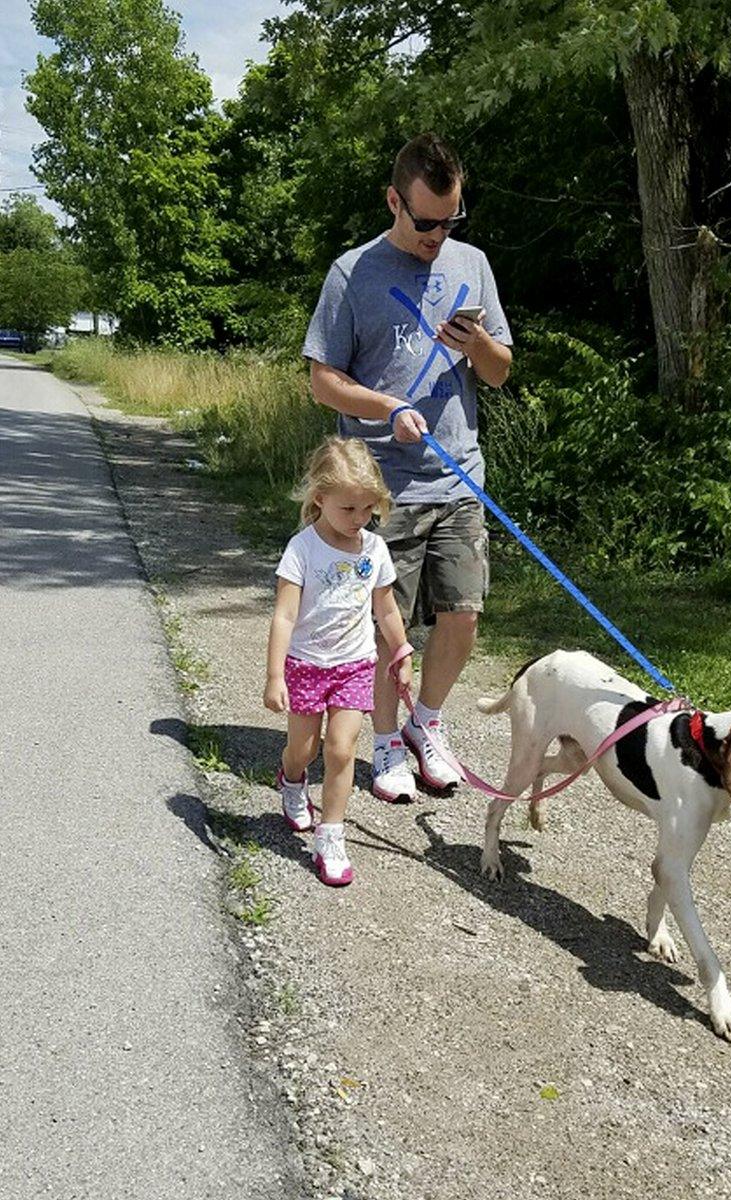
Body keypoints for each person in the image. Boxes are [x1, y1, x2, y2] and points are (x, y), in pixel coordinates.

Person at [302, 131, 513, 803]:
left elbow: (501, 372)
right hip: (377, 489)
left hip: (459, 477)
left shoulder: (472, 264)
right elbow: (323, 381)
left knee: (463, 614)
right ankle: (387, 742)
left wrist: (477, 340)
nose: (437, 235)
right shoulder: (352, 273)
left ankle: (427, 724)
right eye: (426, 222)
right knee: (380, 626)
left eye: (450, 220)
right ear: (394, 200)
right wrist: (386, 405)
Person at [263, 436, 412, 886]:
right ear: (319, 498)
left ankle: (331, 834)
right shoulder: (303, 549)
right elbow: (285, 615)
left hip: (354, 665)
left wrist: (401, 652)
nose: (359, 519)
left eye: (368, 509)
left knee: (342, 748)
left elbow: (385, 609)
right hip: (306, 664)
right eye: (348, 509)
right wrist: (275, 676)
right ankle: (291, 781)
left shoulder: (374, 549)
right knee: (304, 749)